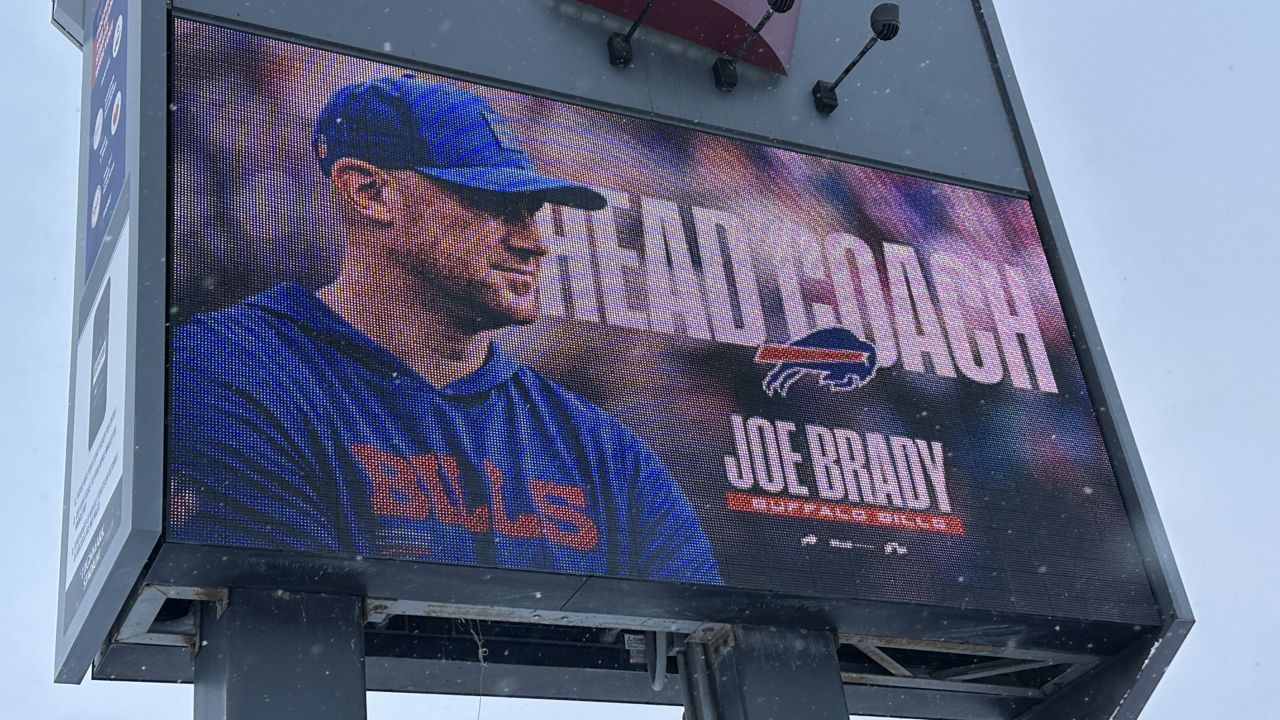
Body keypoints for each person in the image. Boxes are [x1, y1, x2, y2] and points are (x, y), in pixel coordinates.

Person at [167, 74, 722, 585]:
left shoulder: (605, 452)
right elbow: (290, 630)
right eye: (493, 202)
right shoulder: (223, 366)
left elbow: (689, 652)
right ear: (370, 193)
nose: (533, 240)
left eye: (531, 208)